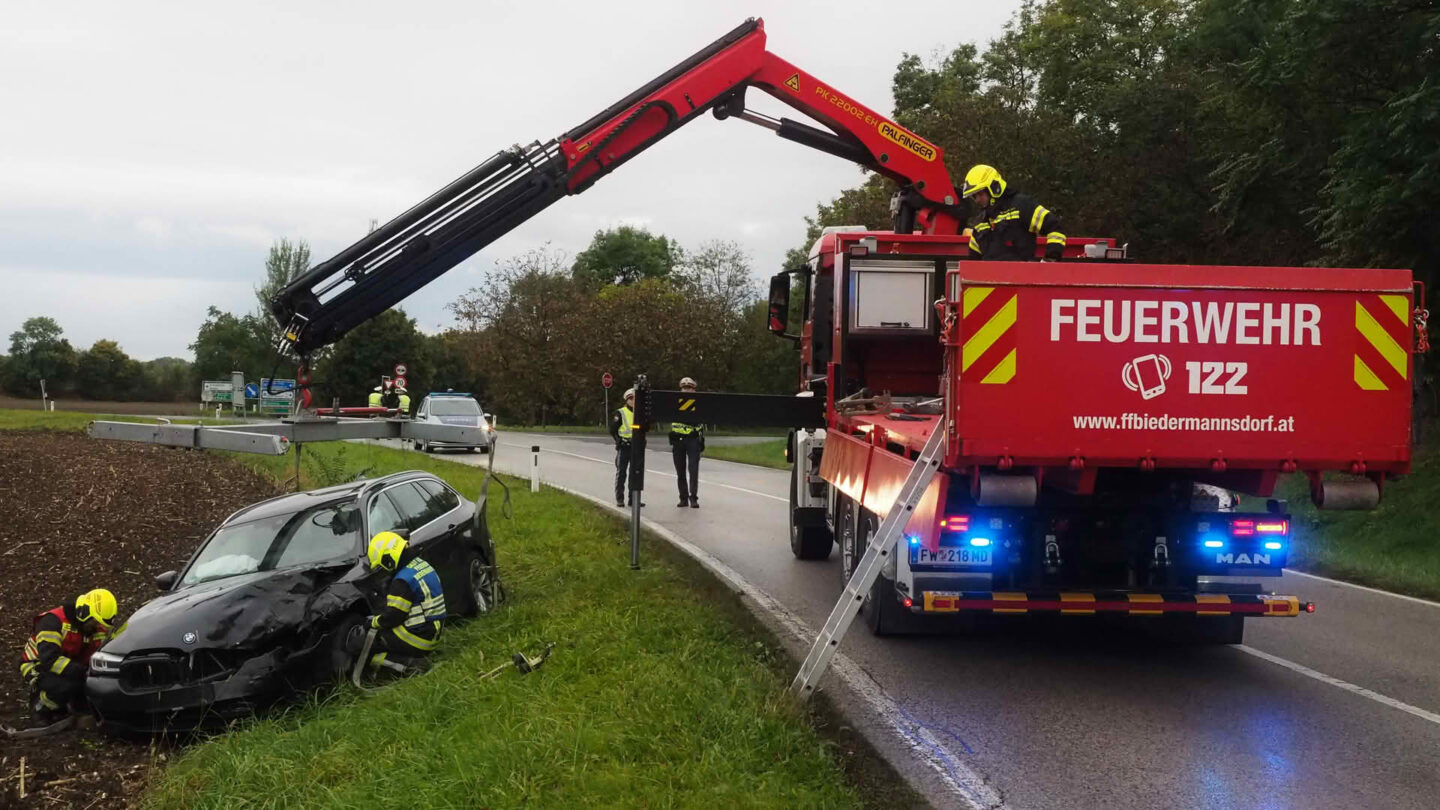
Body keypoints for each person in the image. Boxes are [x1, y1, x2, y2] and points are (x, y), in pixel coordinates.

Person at [20, 589, 118, 725]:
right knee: (67, 685)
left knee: (91, 683)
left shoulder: (92, 627)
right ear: (84, 613)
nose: (98, 627)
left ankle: (76, 707)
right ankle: (41, 707)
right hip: (37, 665)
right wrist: (82, 672)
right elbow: (49, 659)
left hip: (70, 663)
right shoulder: (53, 622)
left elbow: (107, 647)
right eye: (95, 622)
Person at [365, 531, 445, 673]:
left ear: (389, 558)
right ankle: (415, 656)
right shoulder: (420, 564)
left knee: (371, 644)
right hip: (433, 632)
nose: (384, 570)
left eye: (382, 565)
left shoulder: (402, 581)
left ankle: (412, 666)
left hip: (419, 639)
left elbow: (393, 617)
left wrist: (372, 622)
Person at [960, 164, 1066, 261]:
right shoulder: (980, 223)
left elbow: (1054, 228)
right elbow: (973, 261)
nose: (977, 200)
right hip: (991, 275)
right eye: (974, 196)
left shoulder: (1022, 206)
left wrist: (1050, 259)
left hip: (1022, 274)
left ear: (994, 188)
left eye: (980, 194)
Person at [669, 376, 704, 508]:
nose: (686, 390)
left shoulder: (699, 403)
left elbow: (702, 422)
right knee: (680, 471)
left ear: (694, 390)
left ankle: (693, 498)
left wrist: (701, 439)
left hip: (693, 440)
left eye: (689, 388)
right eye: (684, 388)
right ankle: (683, 498)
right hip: (678, 440)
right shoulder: (674, 403)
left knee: (693, 470)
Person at [609, 388, 642, 507]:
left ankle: (633, 499)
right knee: (621, 473)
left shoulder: (640, 413)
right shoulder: (620, 413)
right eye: (630, 399)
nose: (633, 401)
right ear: (627, 400)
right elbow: (613, 430)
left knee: (635, 474)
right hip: (624, 446)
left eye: (635, 399)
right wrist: (618, 441)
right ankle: (620, 498)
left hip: (636, 446)